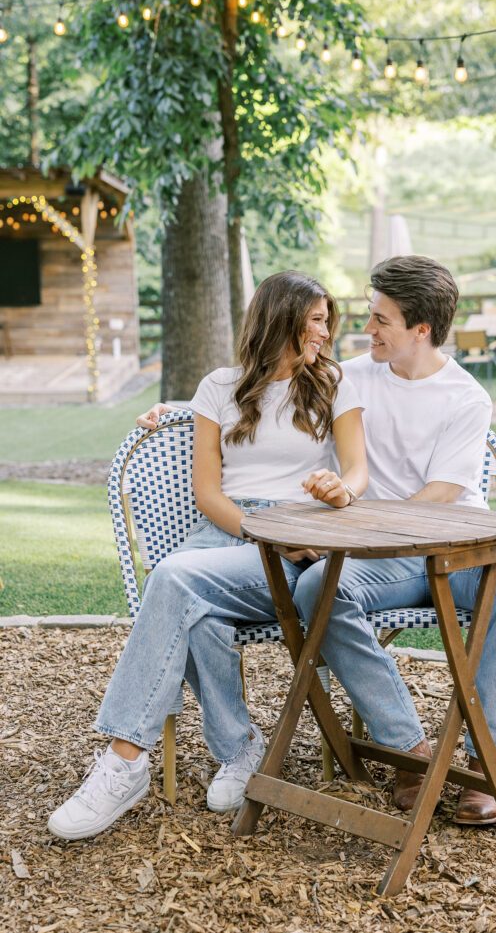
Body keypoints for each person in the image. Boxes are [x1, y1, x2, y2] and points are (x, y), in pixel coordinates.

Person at [132, 256, 496, 824]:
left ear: (420, 330)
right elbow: (267, 386)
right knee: (319, 589)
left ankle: (484, 763)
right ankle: (407, 749)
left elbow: (446, 492)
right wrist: (177, 411)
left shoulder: (466, 398)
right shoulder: (352, 373)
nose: (365, 330)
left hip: (450, 545)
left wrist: (368, 526)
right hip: (373, 555)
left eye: (380, 320)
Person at [48, 271, 369, 841]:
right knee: (194, 608)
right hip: (223, 531)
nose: (325, 331)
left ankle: (124, 761)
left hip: (291, 539)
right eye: (316, 320)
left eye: (327, 320)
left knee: (170, 582)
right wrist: (250, 530)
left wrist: (340, 494)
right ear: (282, 319)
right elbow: (208, 493)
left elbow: (358, 470)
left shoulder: (335, 385)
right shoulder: (219, 386)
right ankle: (241, 749)